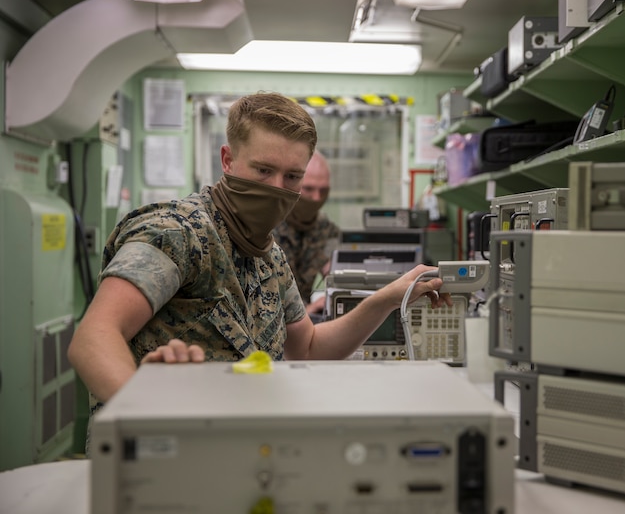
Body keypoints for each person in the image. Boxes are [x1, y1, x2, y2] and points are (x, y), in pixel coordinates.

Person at [67, 92, 450, 420]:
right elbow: (95, 336)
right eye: (263, 170)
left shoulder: (269, 256)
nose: (277, 189)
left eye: (291, 177)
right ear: (228, 160)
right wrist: (142, 410)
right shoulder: (177, 233)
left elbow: (310, 348)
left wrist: (390, 295)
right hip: (157, 455)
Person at [273, 150, 340, 318]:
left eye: (323, 191)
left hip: (305, 323)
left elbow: (334, 269)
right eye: (309, 189)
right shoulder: (266, 224)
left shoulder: (326, 230)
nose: (316, 198)